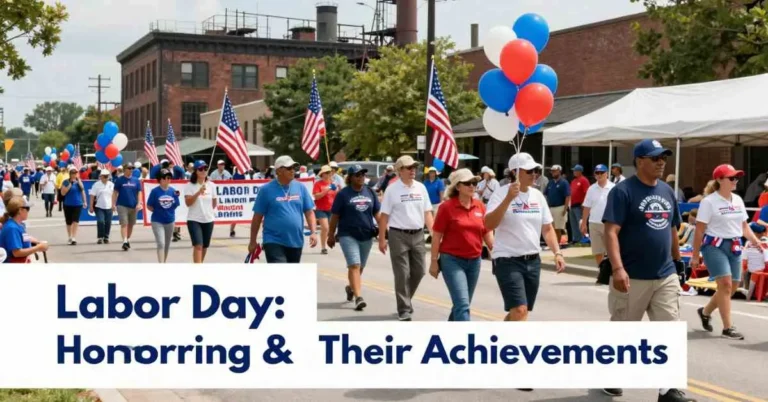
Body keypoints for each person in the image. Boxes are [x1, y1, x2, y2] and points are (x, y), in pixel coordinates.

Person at [602, 138, 695, 401]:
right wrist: (618, 268)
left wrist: (679, 264)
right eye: (655, 158)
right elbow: (611, 232)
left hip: (664, 274)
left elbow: (673, 230)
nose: (661, 162)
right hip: (632, 276)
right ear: (639, 161)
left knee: (669, 330)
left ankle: (667, 390)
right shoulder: (623, 192)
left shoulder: (666, 191)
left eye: (663, 158)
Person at [485, 153, 565, 322]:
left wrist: (557, 252)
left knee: (522, 310)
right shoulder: (500, 193)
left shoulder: (537, 196)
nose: (535, 174)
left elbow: (548, 228)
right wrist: (508, 199)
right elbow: (489, 224)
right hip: (507, 260)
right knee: (520, 310)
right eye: (530, 171)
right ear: (516, 172)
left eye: (536, 170)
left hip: (532, 260)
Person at [693, 164, 762, 340]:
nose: (735, 181)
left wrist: (756, 242)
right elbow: (699, 230)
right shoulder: (709, 202)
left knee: (734, 285)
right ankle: (727, 328)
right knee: (725, 285)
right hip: (714, 246)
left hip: (735, 246)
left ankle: (705, 312)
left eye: (736, 178)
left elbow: (744, 226)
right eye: (731, 178)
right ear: (719, 180)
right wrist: (695, 256)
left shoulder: (738, 200)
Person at [429, 168, 494, 321]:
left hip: (474, 261)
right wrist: (433, 262)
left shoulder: (480, 206)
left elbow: (486, 232)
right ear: (458, 187)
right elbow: (437, 235)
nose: (472, 186)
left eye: (474, 183)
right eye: (467, 183)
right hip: (452, 261)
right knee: (463, 305)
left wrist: (496, 253)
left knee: (461, 304)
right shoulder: (446, 207)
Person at [379, 155, 434, 321]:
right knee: (402, 273)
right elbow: (384, 216)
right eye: (409, 168)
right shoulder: (392, 190)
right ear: (399, 171)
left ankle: (406, 299)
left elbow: (427, 213)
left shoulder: (421, 188)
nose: (413, 170)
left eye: (414, 167)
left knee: (419, 271)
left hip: (417, 235)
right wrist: (382, 238)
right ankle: (404, 309)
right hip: (398, 235)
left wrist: (433, 233)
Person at [328, 165, 381, 311]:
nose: (361, 177)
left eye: (363, 174)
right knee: (354, 265)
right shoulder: (343, 194)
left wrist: (384, 229)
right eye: (357, 175)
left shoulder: (370, 192)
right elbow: (335, 216)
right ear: (350, 178)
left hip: (366, 234)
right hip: (347, 234)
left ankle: (351, 288)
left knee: (360, 267)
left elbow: (377, 213)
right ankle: (359, 297)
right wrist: (330, 235)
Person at [249, 156, 318, 263]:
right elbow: (257, 217)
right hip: (273, 240)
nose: (293, 171)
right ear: (279, 171)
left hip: (296, 241)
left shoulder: (301, 188)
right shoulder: (266, 190)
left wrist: (313, 232)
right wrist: (252, 241)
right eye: (289, 168)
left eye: (294, 168)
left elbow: (309, 212)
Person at [580, 164, 615, 271]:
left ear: (607, 174)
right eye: (597, 173)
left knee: (610, 249)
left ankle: (612, 270)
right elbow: (587, 206)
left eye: (602, 173)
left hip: (608, 223)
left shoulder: (613, 187)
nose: (599, 175)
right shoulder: (591, 188)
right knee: (597, 250)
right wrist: (584, 222)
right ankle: (602, 271)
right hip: (594, 222)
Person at [184, 160, 217, 263]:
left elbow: (214, 202)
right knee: (198, 245)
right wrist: (198, 192)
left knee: (204, 247)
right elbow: (188, 203)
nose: (203, 171)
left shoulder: (212, 185)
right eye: (201, 169)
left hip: (208, 219)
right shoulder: (189, 185)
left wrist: (209, 212)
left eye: (205, 169)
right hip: (194, 219)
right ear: (195, 171)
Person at [147, 168, 181, 263]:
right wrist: (157, 210)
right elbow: (149, 205)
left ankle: (164, 262)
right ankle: (161, 264)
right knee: (161, 243)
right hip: (157, 221)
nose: (169, 179)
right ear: (161, 179)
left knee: (167, 244)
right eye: (167, 177)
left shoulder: (173, 191)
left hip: (170, 221)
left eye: (170, 177)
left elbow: (176, 204)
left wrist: (168, 210)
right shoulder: (155, 191)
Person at [0, 197, 47, 263]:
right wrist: (38, 248)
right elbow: (17, 253)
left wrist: (38, 242)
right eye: (27, 209)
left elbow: (24, 237)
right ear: (20, 210)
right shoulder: (12, 228)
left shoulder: (18, 224)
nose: (28, 211)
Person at [112, 163, 142, 251]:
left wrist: (139, 203)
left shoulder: (136, 180)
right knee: (124, 223)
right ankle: (124, 241)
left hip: (133, 205)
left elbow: (139, 192)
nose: (131, 170)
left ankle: (128, 239)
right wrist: (113, 204)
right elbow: (115, 192)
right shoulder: (119, 180)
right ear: (125, 169)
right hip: (122, 205)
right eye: (129, 168)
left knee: (131, 224)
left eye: (132, 168)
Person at [313, 165, 338, 255]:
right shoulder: (318, 184)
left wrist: (337, 190)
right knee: (325, 228)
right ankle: (323, 247)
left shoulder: (333, 184)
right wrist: (327, 190)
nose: (328, 174)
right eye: (326, 173)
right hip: (321, 209)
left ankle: (328, 241)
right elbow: (316, 196)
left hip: (332, 209)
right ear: (322, 174)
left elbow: (336, 197)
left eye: (329, 172)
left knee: (331, 229)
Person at [60, 166, 87, 245]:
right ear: (70, 173)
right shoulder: (66, 182)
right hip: (68, 204)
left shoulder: (79, 181)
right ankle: (69, 236)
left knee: (76, 221)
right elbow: (62, 193)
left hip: (78, 204)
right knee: (69, 222)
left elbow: (82, 191)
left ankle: (74, 237)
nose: (74, 174)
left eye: (75, 173)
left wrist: (84, 201)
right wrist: (70, 185)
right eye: (72, 173)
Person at [544, 164, 571, 243]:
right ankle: (554, 243)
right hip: (551, 207)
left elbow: (567, 196)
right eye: (552, 171)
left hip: (560, 207)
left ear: (559, 171)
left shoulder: (564, 182)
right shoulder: (550, 182)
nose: (553, 172)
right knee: (551, 227)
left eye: (555, 171)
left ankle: (558, 244)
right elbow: (545, 194)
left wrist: (565, 209)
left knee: (558, 228)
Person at [89, 169, 115, 244]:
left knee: (108, 222)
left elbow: (114, 195)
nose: (106, 178)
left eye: (107, 176)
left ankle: (106, 237)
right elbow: (92, 196)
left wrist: (114, 204)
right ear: (101, 177)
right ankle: (100, 237)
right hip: (99, 206)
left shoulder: (111, 184)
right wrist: (91, 206)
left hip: (109, 206)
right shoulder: (96, 185)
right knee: (100, 221)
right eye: (104, 176)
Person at [569, 164, 590, 244]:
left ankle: (584, 239)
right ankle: (576, 239)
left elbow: (587, 193)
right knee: (573, 223)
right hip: (573, 205)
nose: (574, 172)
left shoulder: (584, 180)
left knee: (580, 222)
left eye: (575, 170)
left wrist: (584, 204)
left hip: (579, 205)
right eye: (574, 170)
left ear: (580, 171)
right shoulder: (574, 181)